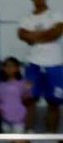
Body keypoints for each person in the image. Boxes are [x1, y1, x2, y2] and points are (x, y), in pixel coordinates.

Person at [19, 0, 63, 134]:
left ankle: (52, 138)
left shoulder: (56, 15)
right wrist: (46, 34)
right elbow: (22, 35)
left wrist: (34, 36)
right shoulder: (26, 18)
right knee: (29, 100)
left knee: (54, 102)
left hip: (54, 64)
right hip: (33, 64)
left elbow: (56, 33)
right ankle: (28, 137)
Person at [0, 57, 31, 132]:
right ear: (3, 68)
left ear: (17, 68)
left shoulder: (23, 83)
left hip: (19, 117)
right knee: (8, 140)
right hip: (5, 117)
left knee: (18, 139)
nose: (9, 68)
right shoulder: (1, 84)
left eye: (12, 66)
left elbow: (27, 100)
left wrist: (27, 91)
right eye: (6, 66)